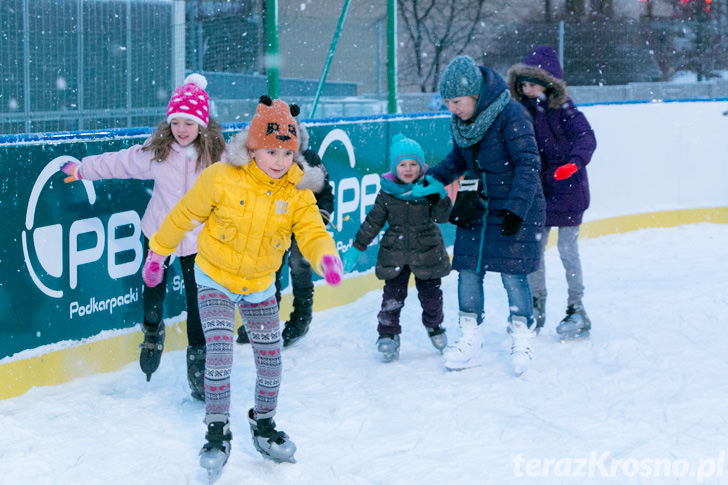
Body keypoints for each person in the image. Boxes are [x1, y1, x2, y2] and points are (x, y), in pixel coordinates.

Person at [142, 95, 343, 478]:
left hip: (260, 284)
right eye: (272, 152)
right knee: (219, 353)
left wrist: (326, 257)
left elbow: (313, 231)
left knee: (271, 359)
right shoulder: (221, 177)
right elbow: (185, 214)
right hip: (215, 277)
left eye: (287, 153)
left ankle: (264, 426)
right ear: (253, 149)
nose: (280, 162)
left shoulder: (296, 191)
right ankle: (217, 432)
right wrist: (158, 252)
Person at [60, 74, 226, 397]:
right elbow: (120, 163)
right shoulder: (159, 152)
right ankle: (152, 332)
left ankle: (199, 363)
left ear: (201, 125)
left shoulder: (214, 159)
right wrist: (83, 170)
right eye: (176, 122)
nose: (181, 129)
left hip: (197, 242)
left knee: (198, 304)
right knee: (153, 294)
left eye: (189, 123)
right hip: (159, 237)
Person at [413, 55, 546, 376]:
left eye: (456, 102)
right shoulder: (464, 123)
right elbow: (458, 160)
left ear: (475, 95)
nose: (452, 109)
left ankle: (521, 336)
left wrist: (516, 209)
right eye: (448, 103)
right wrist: (432, 180)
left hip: (516, 206)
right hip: (477, 206)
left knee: (513, 274)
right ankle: (471, 338)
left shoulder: (511, 115)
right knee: (468, 270)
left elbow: (529, 164)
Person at [507, 45, 597, 341]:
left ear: (548, 84)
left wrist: (574, 164)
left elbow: (586, 137)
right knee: (534, 249)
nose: (526, 89)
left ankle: (576, 308)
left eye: (532, 83)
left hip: (569, 189)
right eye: (523, 84)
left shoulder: (565, 109)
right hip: (541, 191)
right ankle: (536, 304)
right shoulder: (522, 112)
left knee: (567, 250)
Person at [342, 134, 452, 362]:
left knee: (431, 296)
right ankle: (388, 334)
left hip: (427, 252)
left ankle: (435, 326)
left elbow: (442, 218)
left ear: (421, 166)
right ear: (394, 167)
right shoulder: (387, 193)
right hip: (396, 253)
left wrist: (441, 197)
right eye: (402, 164)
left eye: (413, 164)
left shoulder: (428, 188)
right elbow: (373, 222)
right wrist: (358, 246)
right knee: (392, 298)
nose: (408, 169)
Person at [236, 119, 335, 347]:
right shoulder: (264, 160)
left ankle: (301, 318)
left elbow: (326, 194)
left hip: (302, 226)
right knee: (270, 272)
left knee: (300, 268)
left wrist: (319, 216)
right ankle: (264, 321)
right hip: (275, 227)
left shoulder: (310, 161)